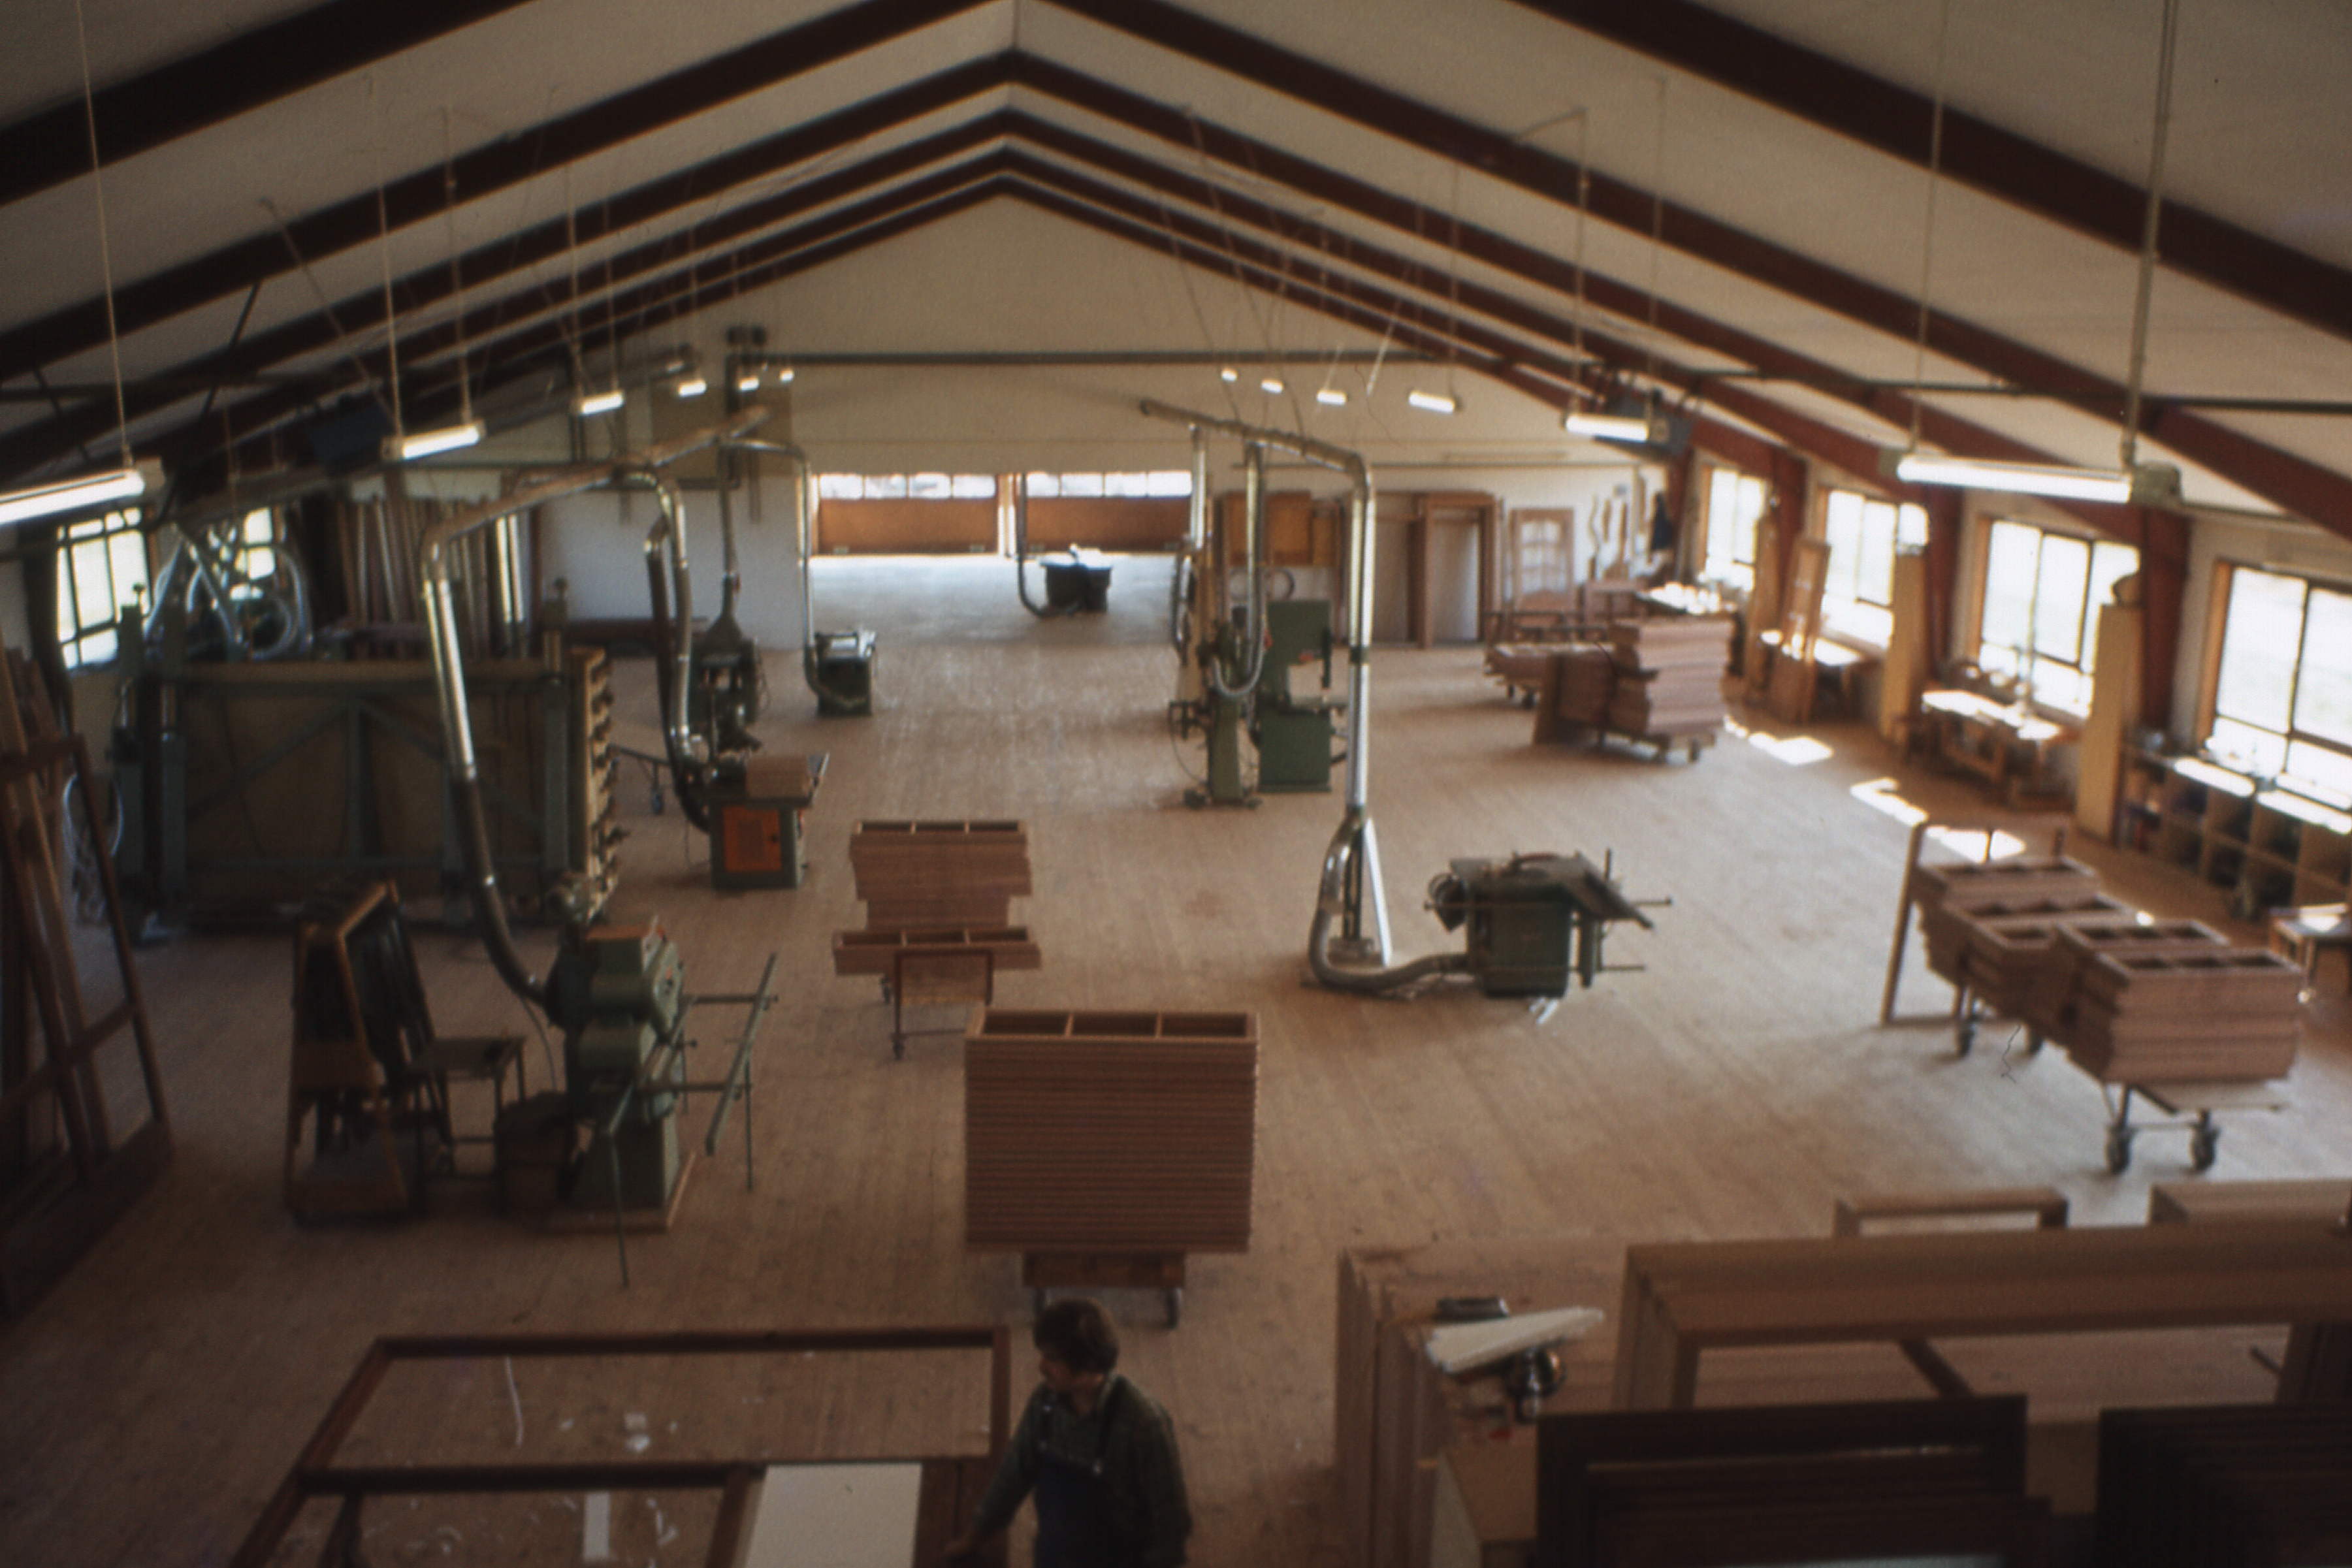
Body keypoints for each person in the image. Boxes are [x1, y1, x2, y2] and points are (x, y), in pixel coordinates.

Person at [946, 1298, 1191, 1567]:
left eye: (1052, 1358)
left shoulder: (1144, 1423)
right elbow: (1013, 1474)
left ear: (1088, 1365)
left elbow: (1170, 1525)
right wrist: (973, 1538)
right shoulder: (1046, 1404)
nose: (1041, 1366)